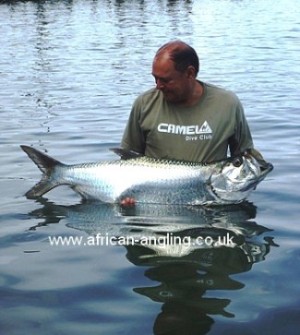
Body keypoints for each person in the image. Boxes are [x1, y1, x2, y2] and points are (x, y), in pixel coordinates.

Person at [121, 40, 265, 164]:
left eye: (165, 80)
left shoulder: (227, 104)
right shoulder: (144, 104)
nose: (158, 86)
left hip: (213, 193)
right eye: (155, 78)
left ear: (190, 73)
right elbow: (128, 160)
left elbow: (245, 159)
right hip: (150, 196)